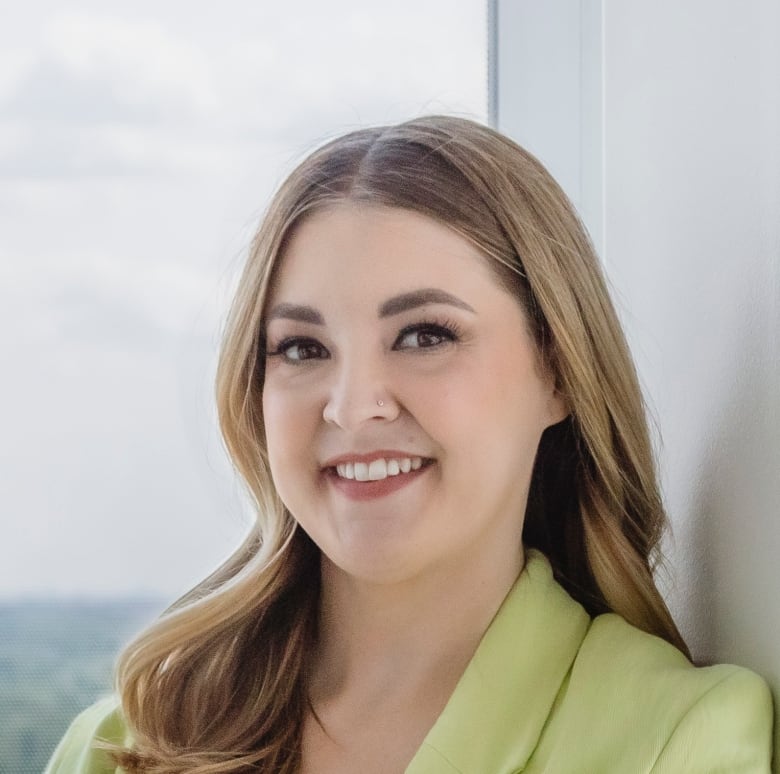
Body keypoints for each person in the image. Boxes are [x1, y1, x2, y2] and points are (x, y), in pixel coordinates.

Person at [45, 115, 772, 773]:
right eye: (301, 347)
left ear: (558, 369)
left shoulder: (678, 740)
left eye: (425, 335)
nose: (354, 406)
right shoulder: (122, 745)